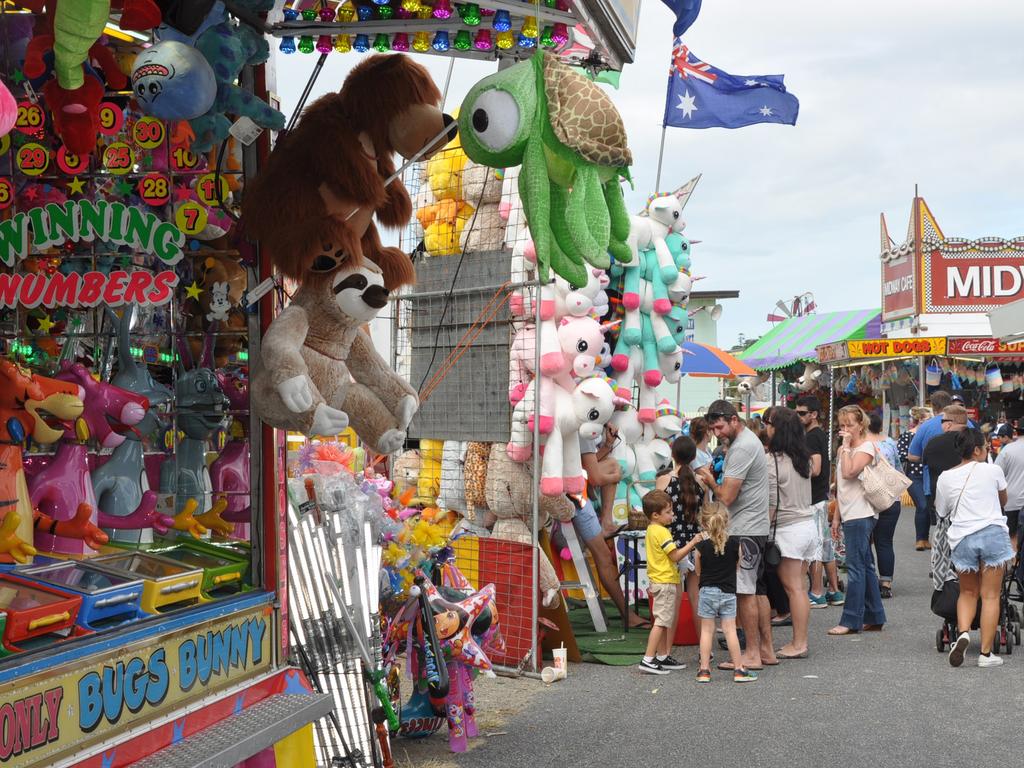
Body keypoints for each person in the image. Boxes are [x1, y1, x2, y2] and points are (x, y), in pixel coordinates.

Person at [699, 400, 776, 669]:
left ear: (733, 420)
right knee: (757, 590)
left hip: (744, 529)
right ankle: (766, 650)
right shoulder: (748, 441)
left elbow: (727, 497)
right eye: (713, 429)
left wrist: (710, 482)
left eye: (719, 427)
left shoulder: (742, 447)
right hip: (755, 527)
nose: (717, 433)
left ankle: (752, 654)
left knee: (744, 592)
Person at [937, 430, 1014, 668]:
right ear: (978, 450)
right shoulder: (993, 471)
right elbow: (1003, 502)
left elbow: (942, 511)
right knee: (990, 595)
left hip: (963, 538)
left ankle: (962, 633)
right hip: (992, 534)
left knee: (967, 592)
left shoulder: (945, 477)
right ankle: (986, 654)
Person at [673, 501, 757, 683]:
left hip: (707, 591)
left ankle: (704, 670)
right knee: (730, 631)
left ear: (703, 524)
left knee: (706, 631)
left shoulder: (701, 547)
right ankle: (739, 669)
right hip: (728, 592)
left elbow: (698, 571)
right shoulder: (736, 544)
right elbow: (737, 568)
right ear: (726, 522)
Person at [765, 407, 820, 658]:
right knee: (800, 587)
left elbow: (772, 504)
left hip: (787, 529)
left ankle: (799, 643)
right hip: (807, 524)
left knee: (794, 589)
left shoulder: (773, 460)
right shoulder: (803, 458)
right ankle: (801, 641)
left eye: (769, 424)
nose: (766, 428)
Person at [828, 405, 886, 635]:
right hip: (850, 512)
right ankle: (875, 615)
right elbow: (842, 488)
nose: (845, 430)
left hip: (861, 513)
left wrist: (844, 448)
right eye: (841, 426)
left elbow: (849, 472)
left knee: (855, 568)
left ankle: (851, 620)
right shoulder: (851, 448)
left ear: (861, 424)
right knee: (865, 566)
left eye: (849, 425)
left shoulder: (867, 446)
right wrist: (836, 518)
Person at [569, 495, 648, 630]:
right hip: (574, 499)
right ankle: (628, 615)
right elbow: (598, 477)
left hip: (576, 498)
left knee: (605, 558)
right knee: (604, 558)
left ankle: (628, 615)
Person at [797, 395, 845, 608]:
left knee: (815, 547)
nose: (798, 417)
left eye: (802, 413)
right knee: (825, 546)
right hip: (820, 498)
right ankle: (834, 591)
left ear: (813, 414)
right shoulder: (818, 435)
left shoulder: (811, 437)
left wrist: (797, 468)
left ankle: (817, 592)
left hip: (814, 499)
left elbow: (815, 469)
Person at [656, 436, 704, 643]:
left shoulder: (664, 480)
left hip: (671, 545)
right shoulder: (701, 482)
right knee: (697, 597)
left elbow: (655, 511)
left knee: (673, 599)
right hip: (696, 544)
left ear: (672, 454)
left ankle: (667, 649)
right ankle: (705, 647)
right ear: (694, 457)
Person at [637, 490, 689, 675]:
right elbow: (674, 555)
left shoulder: (652, 529)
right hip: (665, 581)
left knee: (663, 621)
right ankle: (648, 659)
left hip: (658, 580)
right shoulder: (663, 532)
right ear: (655, 515)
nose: (672, 515)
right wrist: (692, 543)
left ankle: (661, 655)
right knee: (661, 622)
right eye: (668, 512)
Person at [867, 413, 902, 599]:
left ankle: (870, 579)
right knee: (885, 541)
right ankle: (886, 582)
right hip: (890, 497)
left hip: (866, 498)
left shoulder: (861, 444)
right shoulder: (890, 443)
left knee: (865, 541)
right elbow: (898, 468)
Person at [898, 406, 932, 550]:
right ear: (919, 420)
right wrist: (918, 458)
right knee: (922, 504)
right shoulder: (907, 435)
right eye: (925, 420)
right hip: (914, 475)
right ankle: (920, 539)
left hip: (929, 474)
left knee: (928, 507)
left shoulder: (932, 435)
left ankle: (925, 538)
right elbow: (900, 454)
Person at [923, 405, 970, 507]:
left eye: (942, 421)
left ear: (949, 424)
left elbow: (925, 461)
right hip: (970, 497)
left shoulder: (934, 442)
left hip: (941, 499)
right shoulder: (976, 440)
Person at [581, 422, 623, 535]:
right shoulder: (584, 431)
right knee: (613, 465)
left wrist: (608, 444)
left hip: (581, 472)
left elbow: (591, 462)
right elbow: (595, 478)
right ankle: (606, 523)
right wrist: (616, 477)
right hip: (576, 477)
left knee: (612, 464)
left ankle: (607, 523)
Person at [994, 422, 1024, 552]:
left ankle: (1013, 565)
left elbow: (996, 473)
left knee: (1012, 534)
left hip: (1011, 499)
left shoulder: (1007, 450)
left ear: (1016, 433)